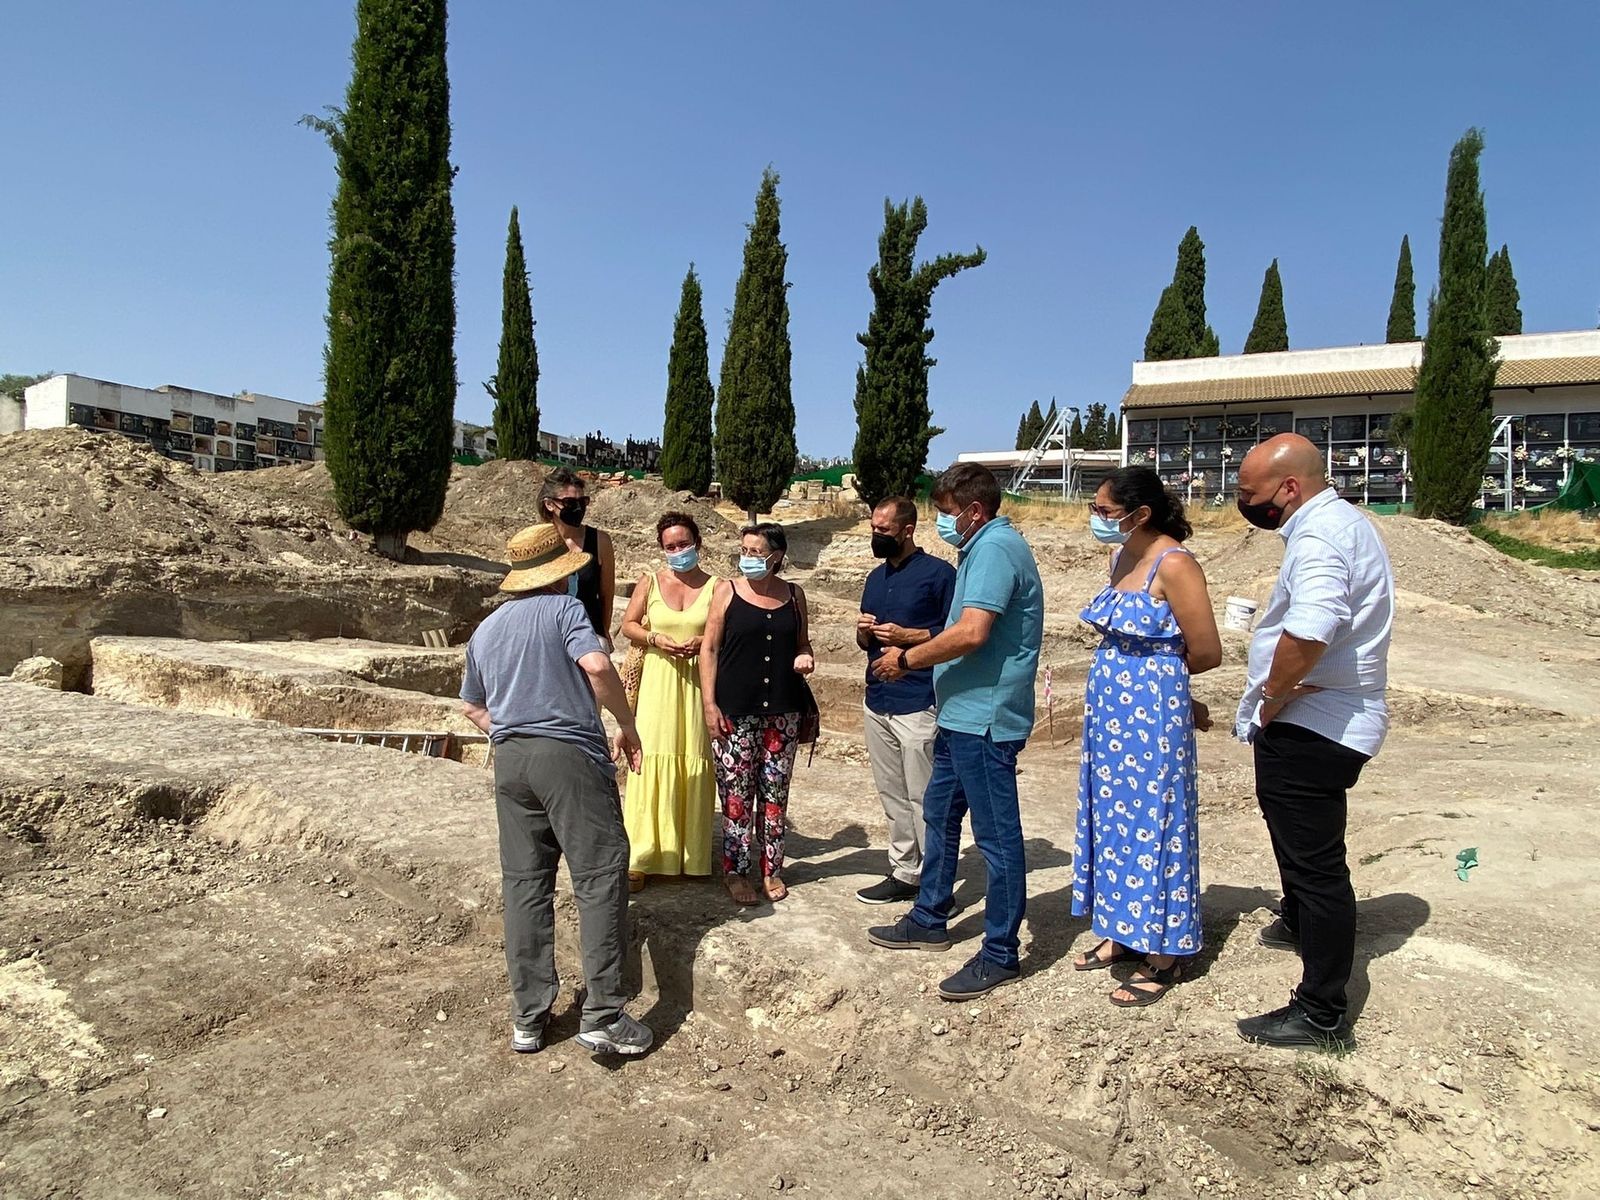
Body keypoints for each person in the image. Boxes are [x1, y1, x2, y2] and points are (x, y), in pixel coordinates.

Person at [459, 522, 653, 1058]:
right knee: (599, 874)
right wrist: (626, 722)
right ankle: (604, 1014)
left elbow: (473, 706)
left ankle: (528, 1016)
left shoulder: (487, 629)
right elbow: (595, 666)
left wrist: (509, 732)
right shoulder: (566, 611)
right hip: (567, 755)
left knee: (525, 884)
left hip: (511, 760)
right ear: (557, 577)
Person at [1232, 433, 1394, 1052]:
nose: (1243, 502)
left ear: (1289, 487)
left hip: (1314, 721)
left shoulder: (1321, 535)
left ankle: (1321, 1009)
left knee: (1316, 863)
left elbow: (1312, 625)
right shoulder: (1339, 522)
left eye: (1251, 493)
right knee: (1298, 838)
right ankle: (1299, 919)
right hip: (1325, 718)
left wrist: (1272, 696)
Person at [865, 463, 1044, 1001]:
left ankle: (1000, 953)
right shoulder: (981, 546)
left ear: (973, 510)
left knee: (995, 838)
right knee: (938, 813)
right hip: (960, 714)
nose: (943, 522)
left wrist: (909, 658)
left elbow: (971, 631)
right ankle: (929, 916)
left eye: (945, 513)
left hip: (985, 719)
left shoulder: (993, 548)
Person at [1070, 467, 1222, 1006]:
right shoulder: (1120, 557)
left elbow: (1206, 650)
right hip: (1111, 713)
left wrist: (1167, 689)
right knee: (1112, 818)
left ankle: (1164, 950)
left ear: (1140, 514)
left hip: (1152, 713)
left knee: (1155, 820)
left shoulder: (1175, 563)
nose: (1097, 519)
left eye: (1106, 512)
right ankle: (1120, 931)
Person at [699, 523, 816, 907]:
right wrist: (709, 704)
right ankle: (735, 871)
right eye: (744, 549)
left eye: (756, 551)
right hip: (735, 710)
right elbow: (710, 649)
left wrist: (805, 656)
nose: (748, 557)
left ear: (777, 556)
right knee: (736, 796)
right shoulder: (726, 591)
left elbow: (803, 643)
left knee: (774, 795)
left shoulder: (795, 595)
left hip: (783, 711)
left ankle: (771, 869)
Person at [855, 496, 956, 905]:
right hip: (877, 699)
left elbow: (955, 633)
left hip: (919, 700)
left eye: (884, 530)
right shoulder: (875, 578)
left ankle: (935, 884)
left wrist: (907, 637)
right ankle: (905, 870)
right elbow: (866, 641)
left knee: (924, 797)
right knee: (892, 793)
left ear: (908, 529)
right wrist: (863, 631)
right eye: (874, 528)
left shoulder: (939, 575)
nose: (876, 535)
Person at [618, 512, 718, 891]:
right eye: (670, 546)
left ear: (698, 544)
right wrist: (656, 639)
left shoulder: (717, 587)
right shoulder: (650, 582)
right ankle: (641, 856)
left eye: (683, 544)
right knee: (650, 761)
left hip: (696, 683)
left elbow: (723, 632)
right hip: (657, 684)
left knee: (693, 758)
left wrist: (704, 643)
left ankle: (690, 857)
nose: (677, 551)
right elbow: (628, 625)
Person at [539, 467, 616, 647]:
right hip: (549, 636)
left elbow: (606, 595)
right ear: (550, 504)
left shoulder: (600, 541)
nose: (578, 508)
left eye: (583, 501)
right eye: (570, 503)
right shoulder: (538, 543)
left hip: (589, 636)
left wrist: (604, 631)